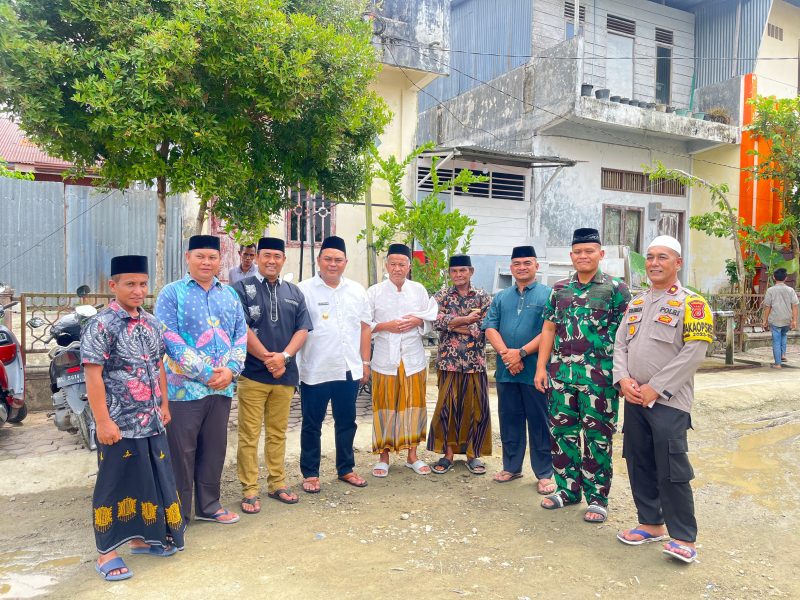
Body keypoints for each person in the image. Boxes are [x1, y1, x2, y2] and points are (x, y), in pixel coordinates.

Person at [81, 255, 185, 582]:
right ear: (113, 286)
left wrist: (164, 405)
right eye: (130, 284)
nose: (138, 291)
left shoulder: (152, 323)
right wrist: (103, 421)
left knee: (149, 479)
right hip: (119, 423)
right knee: (114, 483)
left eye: (142, 284)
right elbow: (93, 377)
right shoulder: (101, 325)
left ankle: (142, 539)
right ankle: (106, 553)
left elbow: (158, 368)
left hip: (151, 419)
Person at [613, 235, 712, 564]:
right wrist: (623, 379)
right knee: (638, 461)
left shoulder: (693, 303)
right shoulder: (637, 302)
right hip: (634, 397)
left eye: (663, 257)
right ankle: (651, 523)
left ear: (678, 263)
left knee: (672, 468)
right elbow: (620, 345)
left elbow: (694, 352)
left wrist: (657, 387)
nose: (654, 263)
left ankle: (684, 537)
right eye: (651, 257)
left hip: (668, 401)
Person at [534, 228, 630, 523]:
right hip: (562, 376)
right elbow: (549, 328)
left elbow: (628, 336)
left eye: (590, 251)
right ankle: (567, 490)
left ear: (601, 254)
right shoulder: (559, 289)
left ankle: (598, 497)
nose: (584, 256)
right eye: (578, 252)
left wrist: (623, 375)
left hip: (599, 380)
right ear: (571, 256)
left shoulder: (616, 290)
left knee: (598, 438)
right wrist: (541, 368)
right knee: (562, 435)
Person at [155, 234, 247, 525]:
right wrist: (207, 374)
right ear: (188, 257)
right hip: (184, 391)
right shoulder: (172, 294)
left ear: (220, 260)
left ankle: (209, 505)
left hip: (223, 388)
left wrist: (231, 370)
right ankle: (178, 513)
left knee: (214, 448)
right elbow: (169, 337)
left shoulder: (230, 295)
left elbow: (240, 335)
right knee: (181, 452)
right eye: (200, 256)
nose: (206, 262)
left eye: (212, 257)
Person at [232, 237, 312, 512]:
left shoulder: (294, 291)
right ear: (256, 257)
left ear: (283, 260)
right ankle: (249, 489)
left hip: (285, 376)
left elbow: (302, 329)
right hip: (253, 375)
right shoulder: (241, 289)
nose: (271, 261)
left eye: (277, 256)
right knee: (249, 435)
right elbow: (239, 328)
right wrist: (268, 358)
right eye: (266, 255)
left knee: (278, 433)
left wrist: (284, 358)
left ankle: (277, 483)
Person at [296, 236, 372, 493]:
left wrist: (365, 363)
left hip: (347, 369)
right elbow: (298, 329)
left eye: (338, 260)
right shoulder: (303, 290)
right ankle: (310, 472)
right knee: (311, 423)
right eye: (327, 259)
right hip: (314, 369)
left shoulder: (357, 290)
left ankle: (346, 469)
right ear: (319, 261)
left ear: (345, 262)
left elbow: (364, 328)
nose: (332, 264)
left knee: (347, 421)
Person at [483, 246, 554, 491]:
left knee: (539, 422)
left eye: (527, 263)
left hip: (536, 371)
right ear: (511, 268)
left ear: (536, 266)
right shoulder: (501, 297)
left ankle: (544, 472)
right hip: (507, 372)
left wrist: (521, 353)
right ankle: (511, 467)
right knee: (509, 419)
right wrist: (507, 355)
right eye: (517, 264)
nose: (521, 267)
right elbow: (490, 327)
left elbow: (550, 330)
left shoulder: (548, 295)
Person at [368, 243, 438, 477]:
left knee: (414, 406)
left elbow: (430, 319)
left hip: (413, 358)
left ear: (409, 266)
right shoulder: (374, 291)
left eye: (402, 264)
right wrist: (386, 326)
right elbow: (364, 325)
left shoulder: (418, 289)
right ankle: (384, 456)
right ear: (386, 265)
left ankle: (412, 455)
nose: (397, 268)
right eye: (393, 264)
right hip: (384, 358)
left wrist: (418, 322)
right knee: (384, 406)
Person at [428, 255, 492, 475]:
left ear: (471, 272)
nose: (458, 275)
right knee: (447, 409)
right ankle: (447, 454)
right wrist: (466, 320)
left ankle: (473, 455)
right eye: (454, 271)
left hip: (475, 362)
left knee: (475, 409)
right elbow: (435, 320)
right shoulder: (442, 296)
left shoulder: (483, 296)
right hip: (449, 362)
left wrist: (452, 324)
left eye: (462, 271)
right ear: (449, 273)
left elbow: (487, 325)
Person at [762, 267, 798, 369]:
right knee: (784, 335)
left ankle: (777, 364)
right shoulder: (790, 290)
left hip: (775, 319)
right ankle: (783, 355)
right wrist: (794, 320)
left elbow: (767, 307)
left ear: (774, 277)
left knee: (776, 340)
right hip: (787, 319)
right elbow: (795, 305)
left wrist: (765, 320)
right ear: (785, 278)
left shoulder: (770, 290)